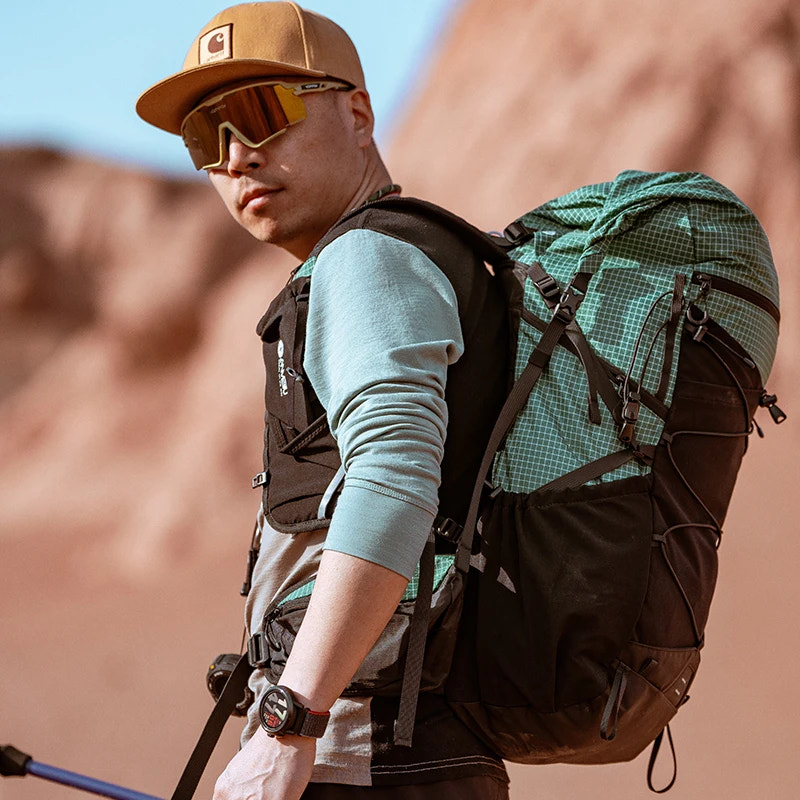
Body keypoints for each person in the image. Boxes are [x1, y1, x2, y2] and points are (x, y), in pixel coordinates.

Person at [136, 3, 510, 798]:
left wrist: (290, 724)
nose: (235, 157)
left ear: (358, 113)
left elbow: (393, 474)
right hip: (407, 752)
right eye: (207, 137)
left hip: (361, 757)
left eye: (260, 115)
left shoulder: (368, 258)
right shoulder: (392, 257)